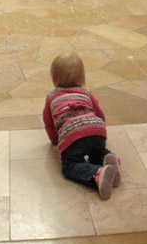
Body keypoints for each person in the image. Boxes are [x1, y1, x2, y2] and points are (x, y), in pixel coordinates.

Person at [43, 52, 120, 199]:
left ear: (54, 78)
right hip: (97, 131)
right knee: (96, 151)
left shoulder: (51, 97)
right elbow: (100, 114)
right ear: (81, 78)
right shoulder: (86, 92)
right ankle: (108, 158)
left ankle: (97, 173)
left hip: (73, 138)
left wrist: (55, 140)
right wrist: (101, 132)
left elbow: (49, 123)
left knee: (69, 166)